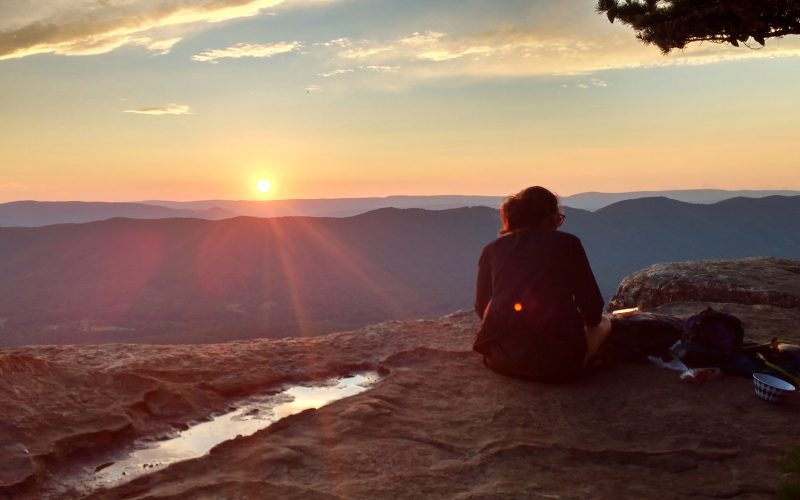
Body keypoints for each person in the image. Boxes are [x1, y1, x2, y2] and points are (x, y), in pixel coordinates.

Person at [473, 186, 612, 383]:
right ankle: (586, 359)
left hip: (502, 360)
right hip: (558, 365)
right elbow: (592, 308)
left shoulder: (492, 249)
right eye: (558, 218)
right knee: (605, 323)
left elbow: (481, 306)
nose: (558, 224)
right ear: (549, 217)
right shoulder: (568, 244)